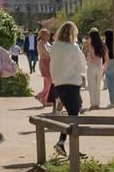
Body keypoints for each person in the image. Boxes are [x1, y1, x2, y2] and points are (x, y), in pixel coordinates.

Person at [47, 22, 87, 154]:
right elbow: (82, 67)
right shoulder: (73, 47)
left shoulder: (54, 47)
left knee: (72, 113)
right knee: (74, 117)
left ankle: (62, 142)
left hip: (58, 84)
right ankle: (67, 146)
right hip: (71, 84)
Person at [85, 29, 107, 110]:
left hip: (92, 66)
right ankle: (97, 103)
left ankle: (93, 103)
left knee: (92, 86)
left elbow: (92, 57)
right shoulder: (102, 44)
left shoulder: (91, 45)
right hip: (99, 67)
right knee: (98, 86)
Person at [35, 27, 53, 107]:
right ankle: (41, 96)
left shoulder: (47, 43)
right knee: (49, 81)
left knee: (48, 82)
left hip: (49, 62)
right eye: (47, 34)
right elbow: (45, 53)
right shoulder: (41, 43)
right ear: (43, 35)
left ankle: (45, 99)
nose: (48, 36)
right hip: (44, 62)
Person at [104, 30, 114, 107]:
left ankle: (113, 101)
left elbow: (105, 57)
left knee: (110, 83)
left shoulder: (106, 45)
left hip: (109, 63)